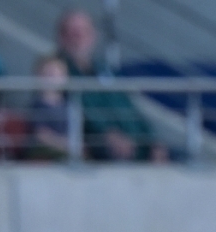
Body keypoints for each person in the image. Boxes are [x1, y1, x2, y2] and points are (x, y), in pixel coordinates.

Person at [52, 8, 163, 162]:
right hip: (100, 150)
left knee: (181, 155)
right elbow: (79, 112)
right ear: (61, 37)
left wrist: (153, 140)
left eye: (84, 32)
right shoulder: (57, 73)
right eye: (73, 33)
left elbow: (130, 107)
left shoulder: (106, 70)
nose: (79, 38)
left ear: (93, 36)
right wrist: (107, 134)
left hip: (137, 146)